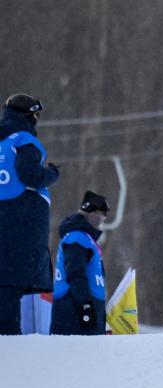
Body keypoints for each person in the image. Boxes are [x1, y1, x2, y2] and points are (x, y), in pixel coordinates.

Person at [0, 93, 60, 335]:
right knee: (11, 289)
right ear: (29, 115)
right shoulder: (23, 139)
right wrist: (52, 174)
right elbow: (31, 175)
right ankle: (11, 344)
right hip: (20, 225)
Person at [50, 191, 109, 335]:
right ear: (88, 213)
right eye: (99, 215)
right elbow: (75, 273)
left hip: (83, 310)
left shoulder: (86, 239)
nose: (101, 220)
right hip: (73, 312)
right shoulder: (77, 238)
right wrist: (86, 305)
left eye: (103, 216)